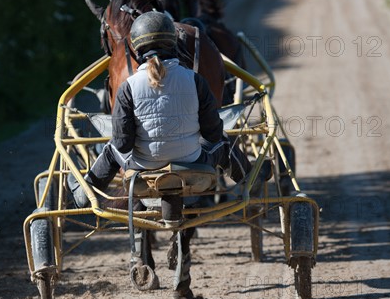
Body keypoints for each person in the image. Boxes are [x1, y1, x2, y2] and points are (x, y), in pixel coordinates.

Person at [69, 11, 252, 207]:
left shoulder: (127, 87)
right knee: (223, 142)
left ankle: (84, 193)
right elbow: (213, 133)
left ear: (136, 48)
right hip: (194, 163)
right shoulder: (196, 80)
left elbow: (123, 143)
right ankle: (250, 179)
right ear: (174, 42)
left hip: (142, 168)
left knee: (110, 149)